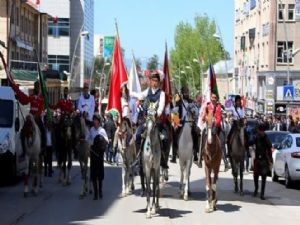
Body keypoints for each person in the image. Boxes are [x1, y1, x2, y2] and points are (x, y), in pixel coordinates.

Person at [10, 80, 46, 156]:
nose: (37, 88)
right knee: (23, 132)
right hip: (31, 116)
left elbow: (41, 108)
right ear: (34, 87)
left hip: (37, 117)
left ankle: (43, 149)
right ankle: (24, 151)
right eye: (35, 87)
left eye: (38, 87)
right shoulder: (32, 97)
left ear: (39, 88)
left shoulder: (41, 98)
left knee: (43, 131)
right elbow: (25, 101)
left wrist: (37, 115)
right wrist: (18, 98)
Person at [171, 86, 198, 163]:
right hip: (181, 123)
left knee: (195, 134)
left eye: (187, 92)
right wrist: (176, 122)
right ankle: (174, 155)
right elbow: (174, 111)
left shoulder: (191, 101)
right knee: (175, 134)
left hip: (190, 122)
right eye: (185, 92)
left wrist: (194, 114)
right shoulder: (179, 102)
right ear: (182, 93)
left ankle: (195, 154)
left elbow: (196, 111)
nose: (187, 94)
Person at [249, 124, 273, 200]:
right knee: (255, 176)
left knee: (264, 176)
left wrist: (270, 159)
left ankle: (262, 194)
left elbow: (269, 147)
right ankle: (256, 189)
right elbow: (250, 143)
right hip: (257, 159)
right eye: (259, 131)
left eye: (261, 131)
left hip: (264, 160)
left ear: (262, 131)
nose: (260, 132)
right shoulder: (256, 137)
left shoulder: (266, 138)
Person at [88, 114, 108, 200]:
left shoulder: (102, 130)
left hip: (99, 154)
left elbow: (107, 140)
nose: (94, 122)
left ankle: (100, 191)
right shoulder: (91, 130)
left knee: (99, 174)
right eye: (94, 120)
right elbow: (88, 139)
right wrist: (89, 144)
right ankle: (95, 193)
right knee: (93, 174)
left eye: (96, 120)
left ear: (99, 122)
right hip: (93, 154)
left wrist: (101, 139)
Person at [199, 92, 222, 165]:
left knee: (222, 138)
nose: (214, 99)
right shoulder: (207, 106)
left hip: (216, 126)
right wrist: (207, 119)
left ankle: (224, 159)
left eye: (215, 98)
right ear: (211, 98)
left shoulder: (218, 107)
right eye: (212, 97)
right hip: (208, 126)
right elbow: (204, 116)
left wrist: (215, 121)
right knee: (203, 135)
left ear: (217, 99)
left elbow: (219, 118)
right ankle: (200, 156)